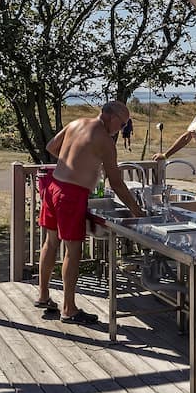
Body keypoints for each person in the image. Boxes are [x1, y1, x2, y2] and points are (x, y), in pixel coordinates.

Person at [37, 101, 142, 325]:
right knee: (73, 250)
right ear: (110, 116)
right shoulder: (105, 141)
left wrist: (73, 163)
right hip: (70, 195)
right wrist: (136, 210)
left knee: (50, 242)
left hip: (53, 186)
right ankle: (69, 309)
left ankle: (44, 296)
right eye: (122, 124)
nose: (122, 129)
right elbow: (116, 183)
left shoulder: (76, 123)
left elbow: (51, 146)